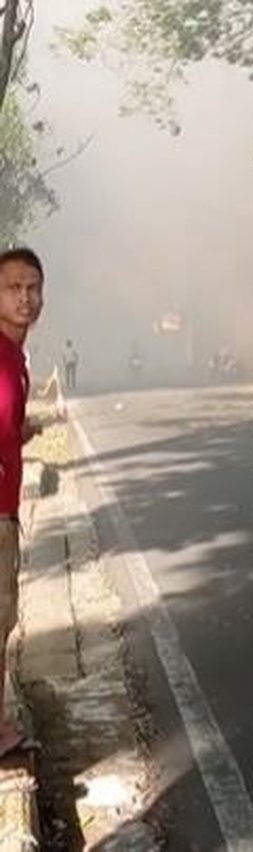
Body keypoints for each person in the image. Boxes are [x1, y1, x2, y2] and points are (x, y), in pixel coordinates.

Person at [0, 247, 44, 756]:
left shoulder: (15, 358)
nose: (25, 298)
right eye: (13, 287)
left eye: (32, 287)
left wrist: (19, 434)